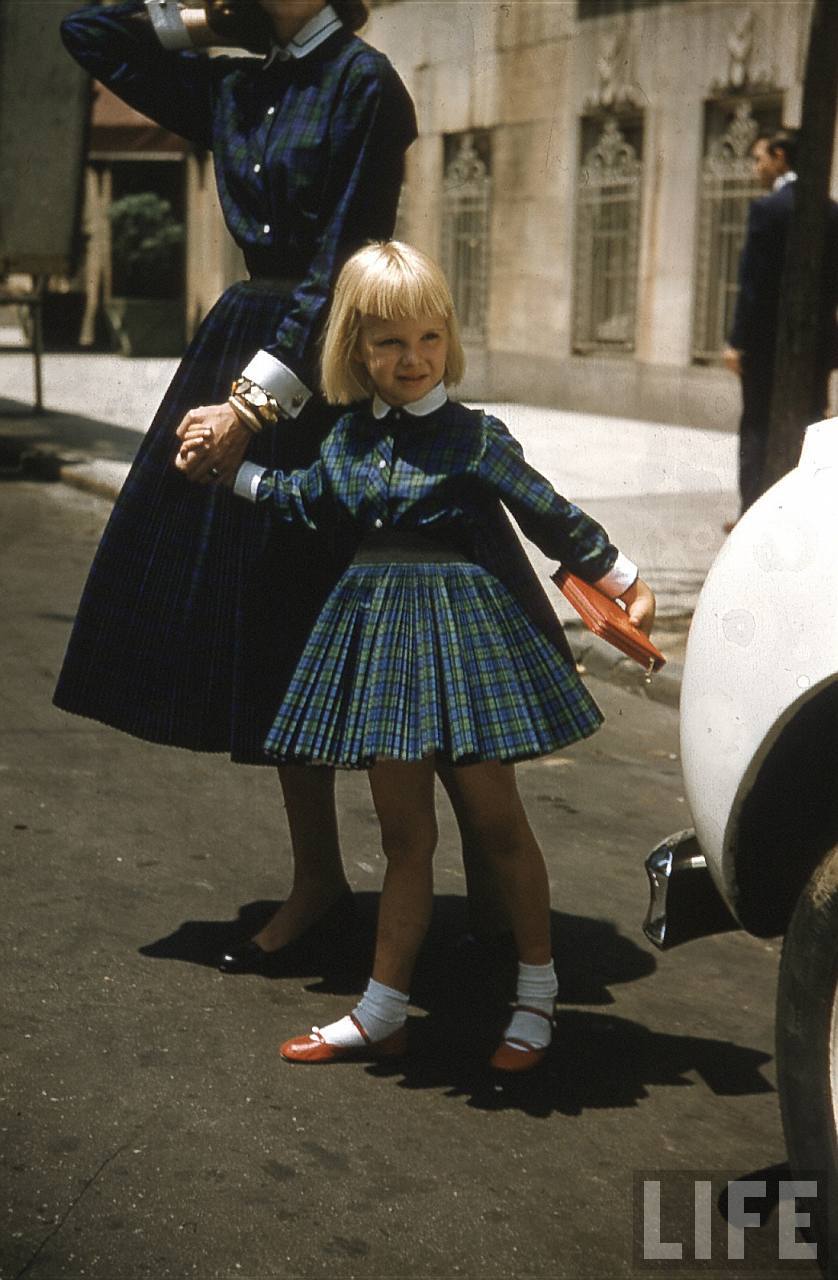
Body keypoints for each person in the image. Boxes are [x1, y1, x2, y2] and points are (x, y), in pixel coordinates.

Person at [180, 241, 657, 1071]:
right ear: (355, 349)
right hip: (383, 650)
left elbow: (548, 511)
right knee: (405, 837)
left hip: (462, 642)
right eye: (391, 342)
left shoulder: (474, 438)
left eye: (429, 338)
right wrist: (228, 473)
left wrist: (622, 578)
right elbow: (302, 499)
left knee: (500, 826)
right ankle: (383, 1009)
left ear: (449, 339)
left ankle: (536, 994)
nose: (413, 358)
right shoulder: (347, 443)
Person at [52, 0, 422, 968]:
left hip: (332, 364)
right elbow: (88, 33)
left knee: (392, 628)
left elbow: (341, 267)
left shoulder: (364, 84)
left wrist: (249, 409)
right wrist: (201, 17)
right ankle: (320, 879)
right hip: (250, 339)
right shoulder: (238, 80)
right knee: (269, 626)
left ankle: (484, 890)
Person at [723, 129, 838, 526]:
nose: (757, 168)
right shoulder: (831, 211)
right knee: (811, 426)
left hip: (765, 346)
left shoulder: (767, 209)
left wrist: (737, 342)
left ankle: (752, 514)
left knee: (757, 425)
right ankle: (805, 516)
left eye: (760, 159)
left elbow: (753, 284)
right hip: (815, 347)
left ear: (779, 157)